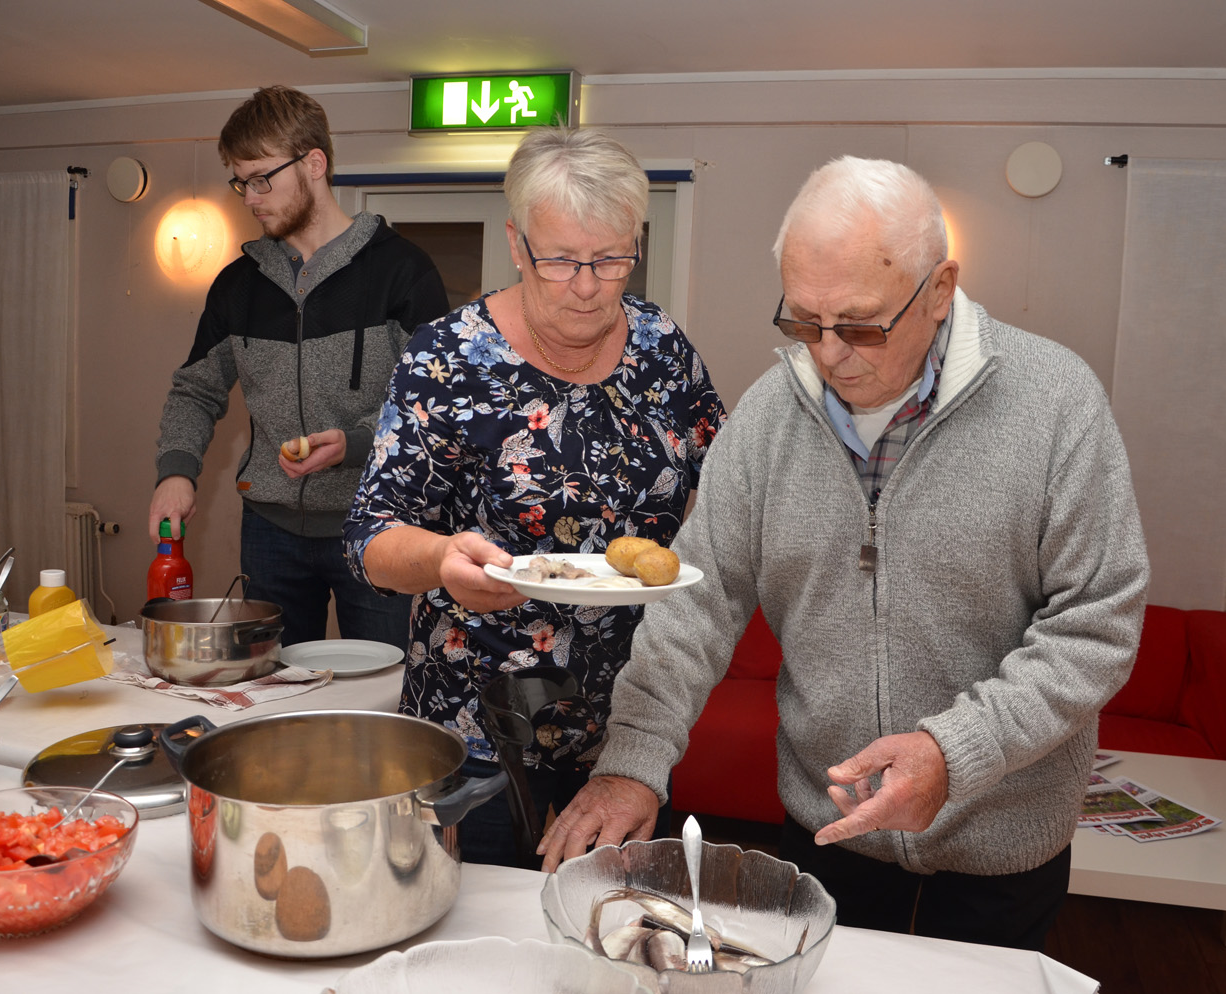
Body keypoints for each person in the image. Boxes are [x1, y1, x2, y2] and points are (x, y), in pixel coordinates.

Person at [539, 156, 1150, 951]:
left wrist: (953, 753)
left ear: (938, 291)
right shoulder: (767, 419)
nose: (827, 354)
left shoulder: (1057, 403)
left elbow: (1097, 623)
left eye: (859, 325)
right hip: (829, 837)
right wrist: (635, 758)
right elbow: (700, 598)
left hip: (1001, 845)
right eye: (802, 321)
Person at [343, 127, 727, 867]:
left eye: (612, 258)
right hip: (477, 730)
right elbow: (370, 541)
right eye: (560, 261)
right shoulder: (447, 358)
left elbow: (729, 501)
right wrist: (442, 559)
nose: (587, 285)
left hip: (629, 727)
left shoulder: (664, 352)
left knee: (609, 941)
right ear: (517, 245)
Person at [151, 85, 449, 648]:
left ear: (315, 163)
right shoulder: (237, 286)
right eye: (241, 181)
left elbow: (437, 405)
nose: (251, 197)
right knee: (276, 690)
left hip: (379, 523)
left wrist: (357, 442)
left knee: (385, 689)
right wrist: (175, 471)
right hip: (270, 530)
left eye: (264, 177)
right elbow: (195, 390)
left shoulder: (402, 271)